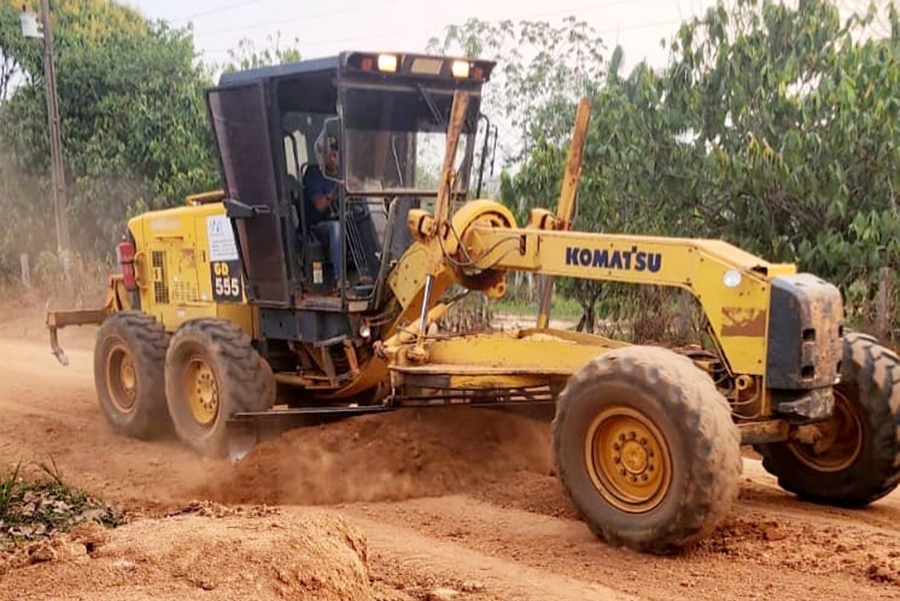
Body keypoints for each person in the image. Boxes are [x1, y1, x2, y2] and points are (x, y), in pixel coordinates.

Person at [303, 133, 343, 288]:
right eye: (332, 154)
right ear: (322, 156)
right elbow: (320, 206)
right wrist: (336, 191)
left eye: (337, 154)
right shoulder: (313, 174)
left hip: (337, 217)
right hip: (317, 226)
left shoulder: (339, 175)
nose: (335, 158)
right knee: (337, 228)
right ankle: (339, 278)